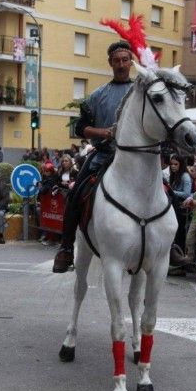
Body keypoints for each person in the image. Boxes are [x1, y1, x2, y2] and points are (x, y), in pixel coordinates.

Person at [52, 40, 134, 273]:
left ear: (131, 62)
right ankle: (66, 248)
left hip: (137, 156)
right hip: (105, 155)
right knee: (75, 195)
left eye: (124, 60)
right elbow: (81, 128)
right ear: (110, 63)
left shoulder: (142, 91)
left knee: (165, 191)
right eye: (116, 60)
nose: (121, 64)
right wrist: (104, 132)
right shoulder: (97, 96)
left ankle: (170, 247)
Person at [169, 155, 192, 252]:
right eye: (171, 164)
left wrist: (171, 191)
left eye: (176, 164)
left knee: (180, 231)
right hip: (174, 206)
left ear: (181, 165)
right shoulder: (174, 175)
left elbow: (186, 194)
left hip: (181, 208)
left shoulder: (185, 176)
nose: (173, 166)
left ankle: (180, 253)